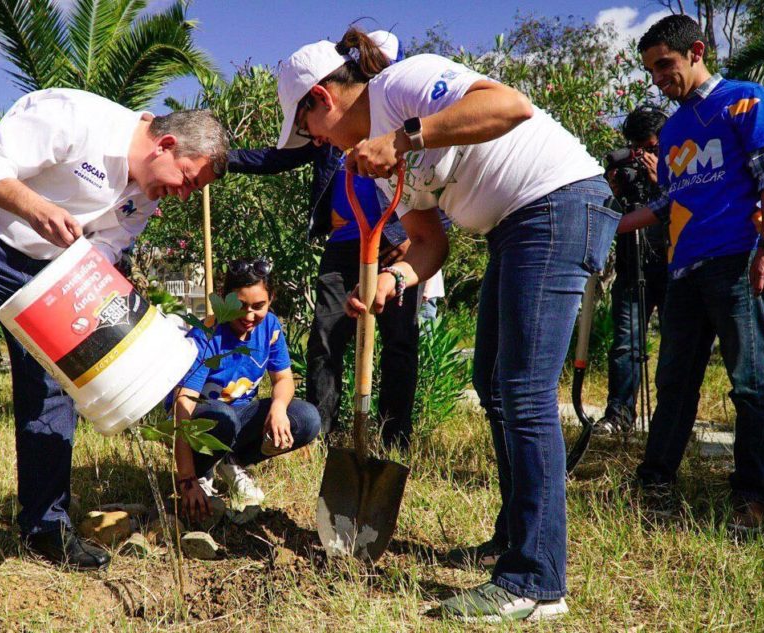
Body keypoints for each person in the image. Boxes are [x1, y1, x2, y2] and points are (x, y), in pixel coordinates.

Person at [278, 28, 616, 622]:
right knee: (492, 382)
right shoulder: (380, 169)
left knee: (525, 392)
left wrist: (406, 137)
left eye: (308, 131)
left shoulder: (400, 87)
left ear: (320, 101)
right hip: (513, 228)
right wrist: (394, 280)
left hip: (557, 204)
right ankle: (517, 537)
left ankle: (537, 579)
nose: (317, 143)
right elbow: (430, 242)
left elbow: (510, 106)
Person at [0, 88, 228, 599]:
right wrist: (35, 207)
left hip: (49, 271)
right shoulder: (77, 119)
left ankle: (46, 527)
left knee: (53, 393)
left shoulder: (142, 198)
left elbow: (107, 248)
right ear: (164, 144)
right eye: (187, 180)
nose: (183, 195)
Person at [228, 30, 437, 450]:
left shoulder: (393, 112)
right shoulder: (330, 126)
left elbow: (427, 184)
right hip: (344, 242)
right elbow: (278, 156)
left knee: (398, 341)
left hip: (396, 242)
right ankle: (320, 430)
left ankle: (393, 437)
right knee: (325, 335)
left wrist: (402, 237)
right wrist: (224, 159)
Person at [618, 15, 764, 534]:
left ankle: (750, 496)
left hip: (737, 261)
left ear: (697, 51)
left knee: (749, 385)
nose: (659, 79)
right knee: (673, 385)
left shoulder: (746, 99)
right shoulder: (675, 129)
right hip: (683, 270)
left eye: (665, 65)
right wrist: (608, 225)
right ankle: (655, 483)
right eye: (651, 72)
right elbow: (668, 203)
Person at [171, 258, 321, 519]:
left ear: (271, 299)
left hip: (241, 417)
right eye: (240, 306)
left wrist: (278, 407)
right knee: (222, 417)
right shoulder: (205, 336)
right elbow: (184, 404)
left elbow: (283, 379)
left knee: (306, 419)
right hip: (205, 421)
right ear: (224, 299)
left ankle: (232, 463)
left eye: (258, 306)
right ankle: (202, 472)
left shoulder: (270, 327)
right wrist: (186, 479)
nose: (250, 316)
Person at [597, 105, 671, 433]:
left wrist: (661, 179)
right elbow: (609, 217)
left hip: (673, 268)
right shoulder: (625, 171)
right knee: (627, 343)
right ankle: (619, 415)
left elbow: (684, 207)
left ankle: (671, 421)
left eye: (653, 149)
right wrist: (612, 191)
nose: (644, 158)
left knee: (677, 346)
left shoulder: (682, 164)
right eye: (639, 150)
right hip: (632, 266)